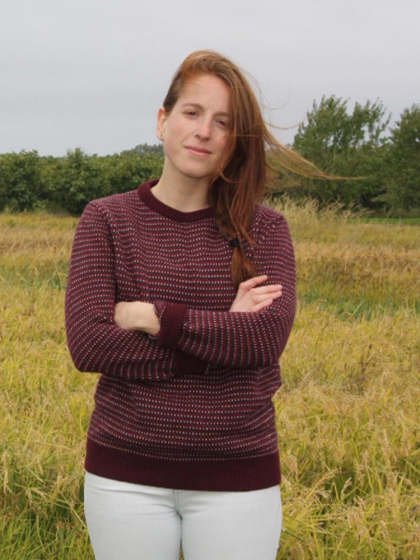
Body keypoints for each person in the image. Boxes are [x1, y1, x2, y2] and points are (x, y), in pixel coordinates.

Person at [64, 50, 317, 559]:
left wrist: (148, 316)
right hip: (124, 473)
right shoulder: (106, 220)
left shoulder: (265, 230)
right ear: (163, 121)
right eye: (192, 113)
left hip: (237, 474)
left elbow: (264, 339)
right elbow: (89, 345)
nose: (204, 131)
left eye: (223, 123)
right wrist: (223, 330)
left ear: (233, 142)